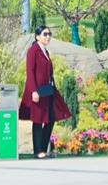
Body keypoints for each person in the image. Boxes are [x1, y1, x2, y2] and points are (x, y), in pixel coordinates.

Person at [19, 25, 72, 159]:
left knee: (50, 118)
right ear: (37, 36)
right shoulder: (33, 50)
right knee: (38, 120)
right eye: (45, 34)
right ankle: (38, 151)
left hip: (47, 90)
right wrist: (33, 91)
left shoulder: (44, 51)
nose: (48, 37)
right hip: (37, 91)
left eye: (49, 34)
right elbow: (30, 72)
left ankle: (43, 148)